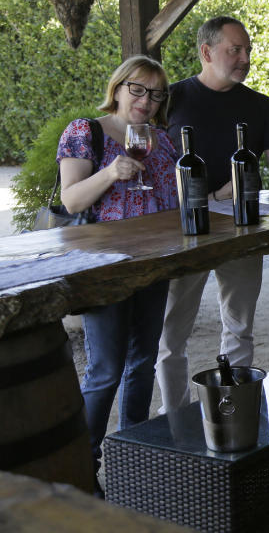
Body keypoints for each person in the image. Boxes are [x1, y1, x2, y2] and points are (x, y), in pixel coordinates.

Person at [57, 55, 179, 495]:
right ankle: (84, 467)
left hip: (153, 262)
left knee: (143, 363)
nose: (147, 100)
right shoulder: (84, 131)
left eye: (156, 93)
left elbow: (174, 196)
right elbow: (71, 201)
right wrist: (111, 172)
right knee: (106, 369)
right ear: (119, 87)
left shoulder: (161, 141)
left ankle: (134, 455)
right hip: (104, 266)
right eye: (138, 89)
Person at [156, 16, 269, 413]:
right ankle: (173, 415)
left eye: (247, 49)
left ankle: (234, 408)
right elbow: (152, 170)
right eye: (235, 49)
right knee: (170, 334)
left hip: (242, 226)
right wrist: (211, 193)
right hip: (184, 231)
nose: (245, 57)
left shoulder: (260, 105)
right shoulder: (170, 99)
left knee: (240, 325)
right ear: (207, 52)